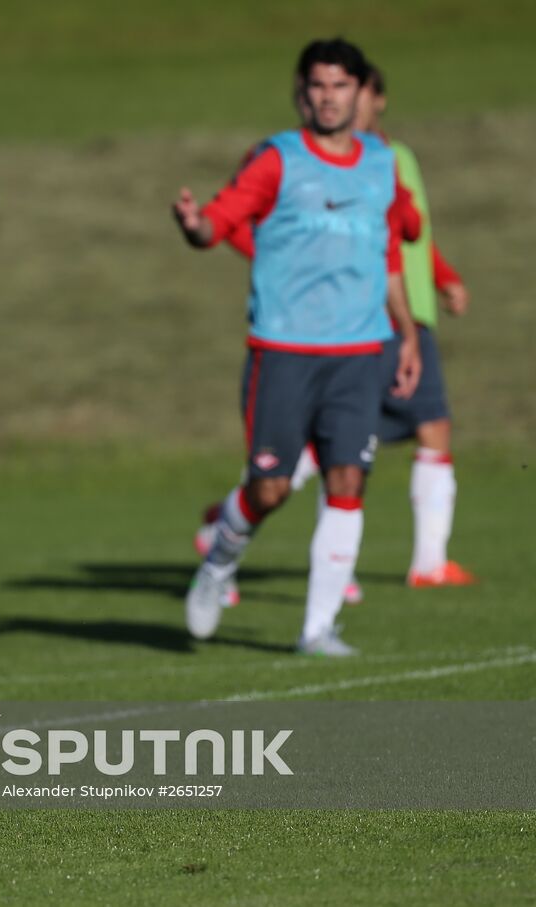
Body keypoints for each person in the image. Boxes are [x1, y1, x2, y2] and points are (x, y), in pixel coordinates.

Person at [172, 38, 421, 656]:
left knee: (347, 483)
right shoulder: (276, 159)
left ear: (361, 93)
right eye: (317, 86)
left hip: (362, 353)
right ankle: (219, 562)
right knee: (271, 490)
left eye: (340, 86)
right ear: (300, 93)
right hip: (283, 352)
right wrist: (193, 224)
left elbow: (388, 253)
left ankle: (318, 629)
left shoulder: (380, 165)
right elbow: (218, 223)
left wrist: (408, 332)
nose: (328, 97)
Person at [195, 64, 474, 600]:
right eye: (326, 90)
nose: (339, 101)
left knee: (400, 438)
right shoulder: (290, 159)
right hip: (320, 330)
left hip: (397, 320)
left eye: (352, 91)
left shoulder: (391, 161)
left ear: (376, 100)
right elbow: (237, 222)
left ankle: (412, 565)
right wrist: (279, 270)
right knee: (300, 462)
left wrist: (442, 279)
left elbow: (409, 233)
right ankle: (229, 526)